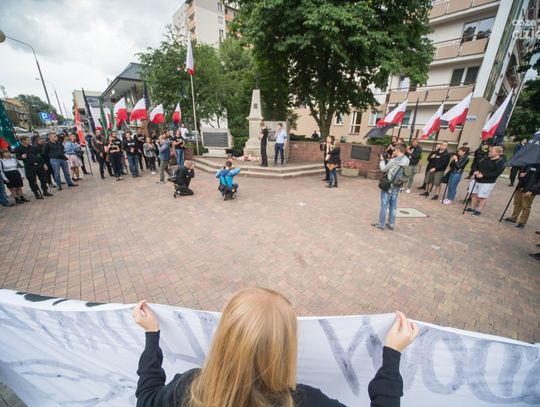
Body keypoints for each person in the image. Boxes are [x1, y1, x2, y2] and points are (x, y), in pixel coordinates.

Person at [133, 287, 418, 407]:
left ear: (223, 339)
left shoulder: (190, 389)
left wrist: (152, 335)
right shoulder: (303, 401)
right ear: (285, 349)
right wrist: (391, 356)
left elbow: (147, 399)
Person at [372, 144, 410, 231]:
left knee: (384, 205)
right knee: (393, 206)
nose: (394, 151)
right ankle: (391, 224)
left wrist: (382, 161)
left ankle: (381, 224)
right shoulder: (407, 160)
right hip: (398, 184)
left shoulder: (393, 161)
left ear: (398, 150)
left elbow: (383, 169)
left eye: (395, 150)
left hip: (389, 185)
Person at [465, 146, 505, 216]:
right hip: (476, 179)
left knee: (482, 196)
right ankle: (472, 208)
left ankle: (479, 210)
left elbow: (496, 173)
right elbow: (475, 165)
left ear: (497, 153)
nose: (489, 152)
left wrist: (483, 175)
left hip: (487, 182)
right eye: (490, 151)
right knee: (473, 194)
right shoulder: (485, 158)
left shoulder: (500, 162)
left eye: (491, 152)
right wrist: (475, 170)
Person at [14, 135, 53, 200]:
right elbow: (18, 157)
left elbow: (39, 156)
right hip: (29, 167)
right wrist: (21, 157)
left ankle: (45, 191)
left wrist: (44, 164)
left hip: (39, 165)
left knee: (43, 178)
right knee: (32, 181)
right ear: (23, 141)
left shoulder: (33, 147)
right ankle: (36, 194)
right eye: (28, 140)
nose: (30, 141)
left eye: (29, 140)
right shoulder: (18, 148)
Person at [503, 164, 539, 229]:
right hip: (521, 186)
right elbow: (521, 172)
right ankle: (513, 218)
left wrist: (532, 190)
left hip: (530, 189)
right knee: (517, 203)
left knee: (526, 206)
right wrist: (521, 175)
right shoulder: (527, 162)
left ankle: (522, 222)